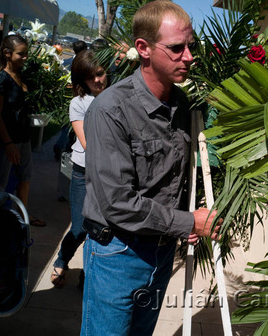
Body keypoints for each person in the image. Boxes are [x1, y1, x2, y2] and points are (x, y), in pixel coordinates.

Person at [81, 1, 220, 335]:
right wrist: (190, 222)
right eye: (176, 48)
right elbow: (117, 202)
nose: (189, 56)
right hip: (118, 254)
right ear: (142, 48)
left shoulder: (183, 105)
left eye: (192, 46)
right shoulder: (110, 110)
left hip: (160, 250)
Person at [50, 50, 108, 288]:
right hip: (84, 171)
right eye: (90, 77)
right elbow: (86, 142)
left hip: (110, 175)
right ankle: (62, 259)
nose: (97, 80)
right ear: (81, 80)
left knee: (101, 228)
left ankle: (88, 272)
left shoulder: (117, 96)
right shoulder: (79, 102)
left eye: (100, 74)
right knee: (80, 226)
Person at [0, 35, 45, 226]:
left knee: (25, 176)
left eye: (26, 54)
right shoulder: (1, 79)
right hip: (5, 141)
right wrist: (8, 144)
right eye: (21, 54)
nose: (25, 57)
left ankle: (22, 218)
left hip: (23, 138)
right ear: (7, 53)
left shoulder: (22, 76)